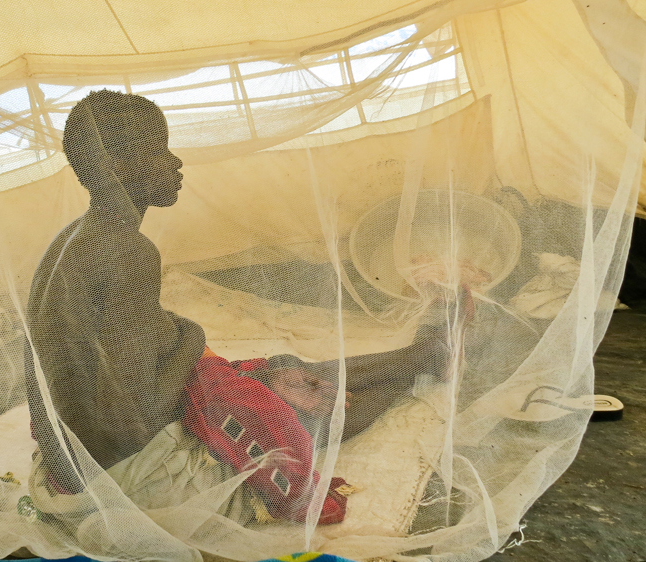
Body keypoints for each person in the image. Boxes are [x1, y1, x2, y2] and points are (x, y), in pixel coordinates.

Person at [24, 90, 459, 525]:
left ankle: (421, 357)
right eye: (159, 150)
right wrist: (193, 341)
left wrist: (191, 351)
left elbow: (118, 353)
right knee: (292, 416)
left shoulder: (72, 238)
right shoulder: (126, 250)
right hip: (127, 474)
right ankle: (416, 369)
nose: (175, 163)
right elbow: (136, 424)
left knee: (277, 378)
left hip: (70, 460)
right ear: (118, 167)